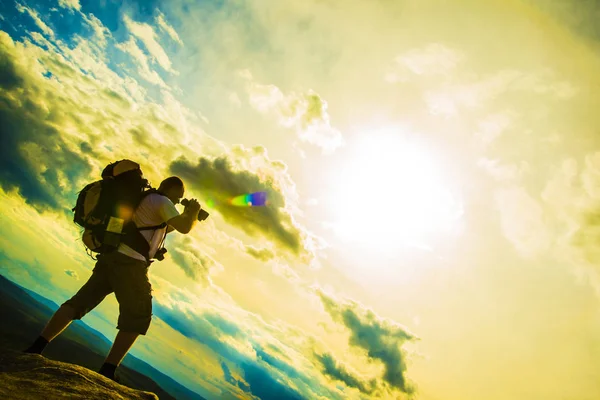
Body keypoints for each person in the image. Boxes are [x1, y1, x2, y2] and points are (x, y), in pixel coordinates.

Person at [24, 176, 202, 382]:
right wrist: (193, 213)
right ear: (171, 189)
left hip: (113, 257)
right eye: (179, 197)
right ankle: (108, 371)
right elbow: (184, 227)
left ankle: (37, 347)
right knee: (138, 316)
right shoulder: (162, 202)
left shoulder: (148, 200)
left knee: (80, 301)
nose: (179, 201)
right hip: (130, 264)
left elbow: (165, 227)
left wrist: (190, 215)